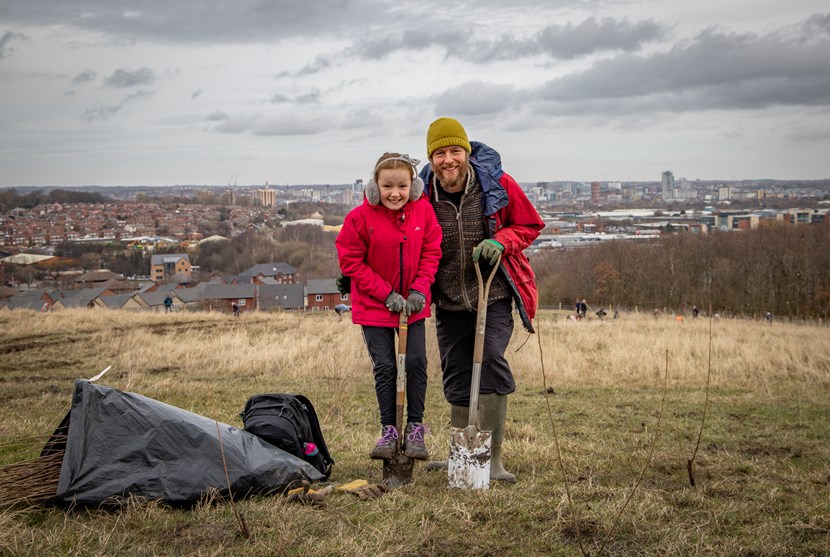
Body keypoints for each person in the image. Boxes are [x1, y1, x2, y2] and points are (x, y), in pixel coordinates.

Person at [418, 117, 544, 482]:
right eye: (439, 153)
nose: (448, 160)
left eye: (455, 151)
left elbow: (530, 225)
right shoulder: (423, 191)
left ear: (467, 153)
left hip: (494, 290)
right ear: (431, 157)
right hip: (448, 296)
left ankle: (493, 460)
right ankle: (462, 455)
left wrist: (501, 241)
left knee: (489, 358)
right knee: (456, 369)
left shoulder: (497, 185)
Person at [336, 152, 442, 462]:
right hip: (375, 305)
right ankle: (389, 431)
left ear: (414, 186)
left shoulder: (424, 212)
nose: (395, 193)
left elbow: (432, 252)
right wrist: (386, 295)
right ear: (374, 187)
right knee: (385, 368)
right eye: (387, 186)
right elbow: (351, 261)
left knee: (416, 363)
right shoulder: (359, 218)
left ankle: (415, 429)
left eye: (402, 186)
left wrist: (420, 289)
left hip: (414, 304)